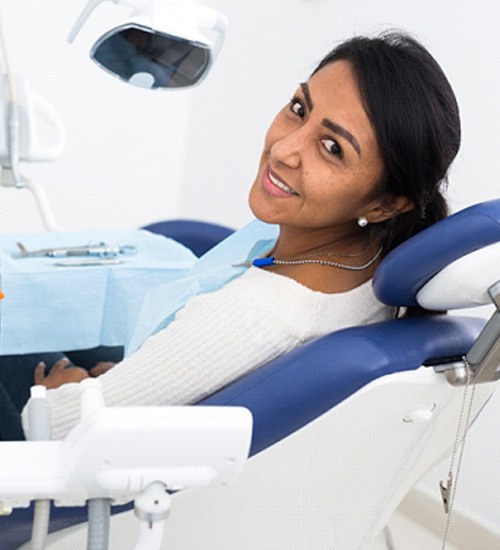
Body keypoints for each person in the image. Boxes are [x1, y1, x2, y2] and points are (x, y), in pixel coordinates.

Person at [14, 30, 460, 440]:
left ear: (384, 204)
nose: (283, 149)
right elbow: (199, 370)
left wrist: (65, 392)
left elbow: (57, 426)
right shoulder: (370, 268)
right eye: (299, 109)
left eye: (332, 148)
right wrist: (142, 378)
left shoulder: (256, 318)